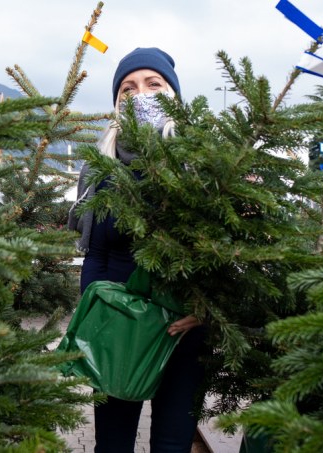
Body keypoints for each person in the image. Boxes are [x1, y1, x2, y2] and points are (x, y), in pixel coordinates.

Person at [67, 47, 206, 453]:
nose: (138, 93)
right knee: (111, 444)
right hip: (118, 326)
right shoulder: (99, 165)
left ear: (172, 95)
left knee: (171, 443)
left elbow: (216, 249)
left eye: (153, 84)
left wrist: (202, 309)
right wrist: (94, 312)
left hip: (183, 326)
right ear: (116, 101)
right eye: (127, 88)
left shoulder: (195, 158)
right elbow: (94, 253)